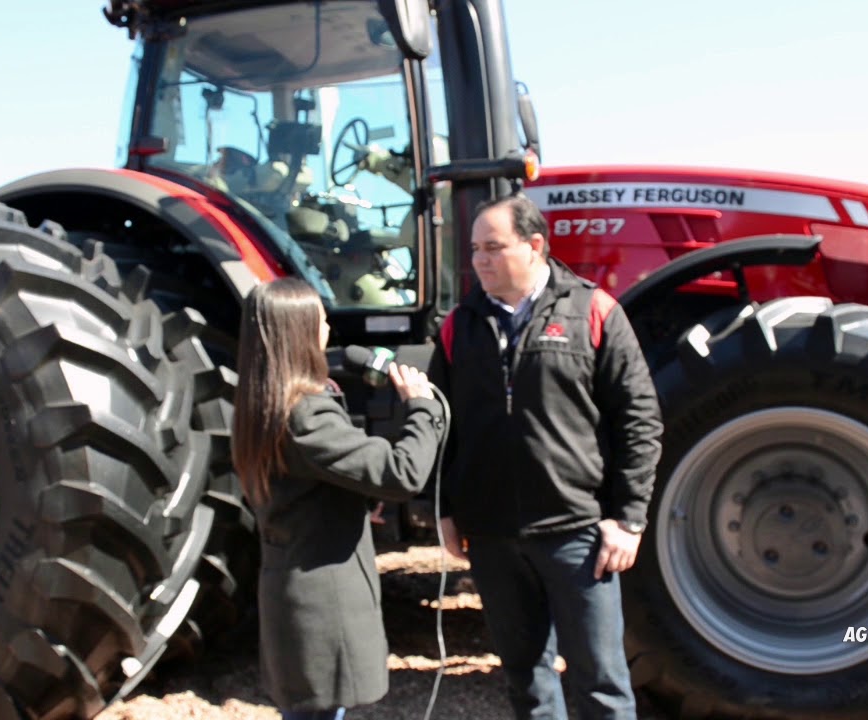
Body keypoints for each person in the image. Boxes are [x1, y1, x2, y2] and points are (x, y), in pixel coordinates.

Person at [428, 194, 663, 720]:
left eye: (493, 248)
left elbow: (639, 420)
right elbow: (441, 426)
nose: (480, 261)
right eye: (474, 250)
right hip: (492, 537)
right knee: (527, 681)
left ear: (535, 246)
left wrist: (628, 519)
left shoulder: (594, 312)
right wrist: (443, 509)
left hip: (577, 535)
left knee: (601, 683)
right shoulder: (456, 326)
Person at [231, 277, 445, 720]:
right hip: (320, 609)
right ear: (301, 333)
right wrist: (422, 408)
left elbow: (302, 484)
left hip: (294, 595)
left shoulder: (261, 404)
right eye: (322, 321)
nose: (329, 329)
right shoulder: (306, 414)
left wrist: (358, 500)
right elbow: (402, 473)